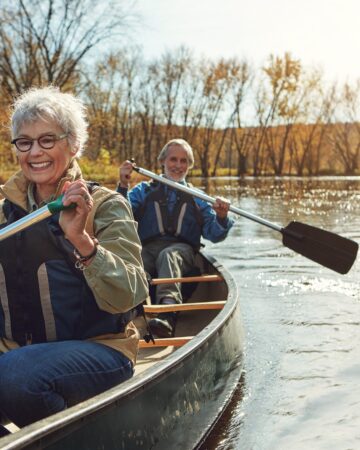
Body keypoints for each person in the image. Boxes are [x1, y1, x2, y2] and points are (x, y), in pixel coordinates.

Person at [0, 86, 148, 432]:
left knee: (17, 376)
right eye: (25, 142)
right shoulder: (3, 212)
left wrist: (81, 239)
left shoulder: (107, 204)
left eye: (47, 140)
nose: (35, 152)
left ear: (74, 144)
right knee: (15, 370)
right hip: (15, 353)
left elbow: (131, 292)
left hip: (99, 352)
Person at [118, 138, 234, 338]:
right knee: (135, 259)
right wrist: (122, 185)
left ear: (189, 166)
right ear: (162, 161)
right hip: (148, 248)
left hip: (183, 251)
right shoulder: (143, 191)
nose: (178, 166)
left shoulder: (198, 197)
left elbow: (214, 235)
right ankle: (129, 311)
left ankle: (168, 312)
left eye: (184, 161)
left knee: (168, 255)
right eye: (173, 159)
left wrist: (222, 217)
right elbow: (119, 215)